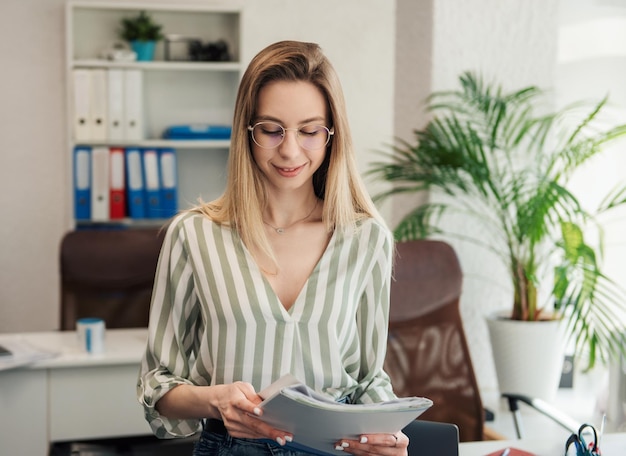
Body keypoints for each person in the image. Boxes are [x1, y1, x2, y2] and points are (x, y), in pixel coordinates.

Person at [137, 40, 408, 456]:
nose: (290, 150)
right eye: (271, 129)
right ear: (247, 131)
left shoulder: (366, 238)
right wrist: (214, 400)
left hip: (332, 450)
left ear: (332, 135)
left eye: (309, 130)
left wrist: (385, 434)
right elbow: (158, 381)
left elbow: (368, 379)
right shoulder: (194, 235)